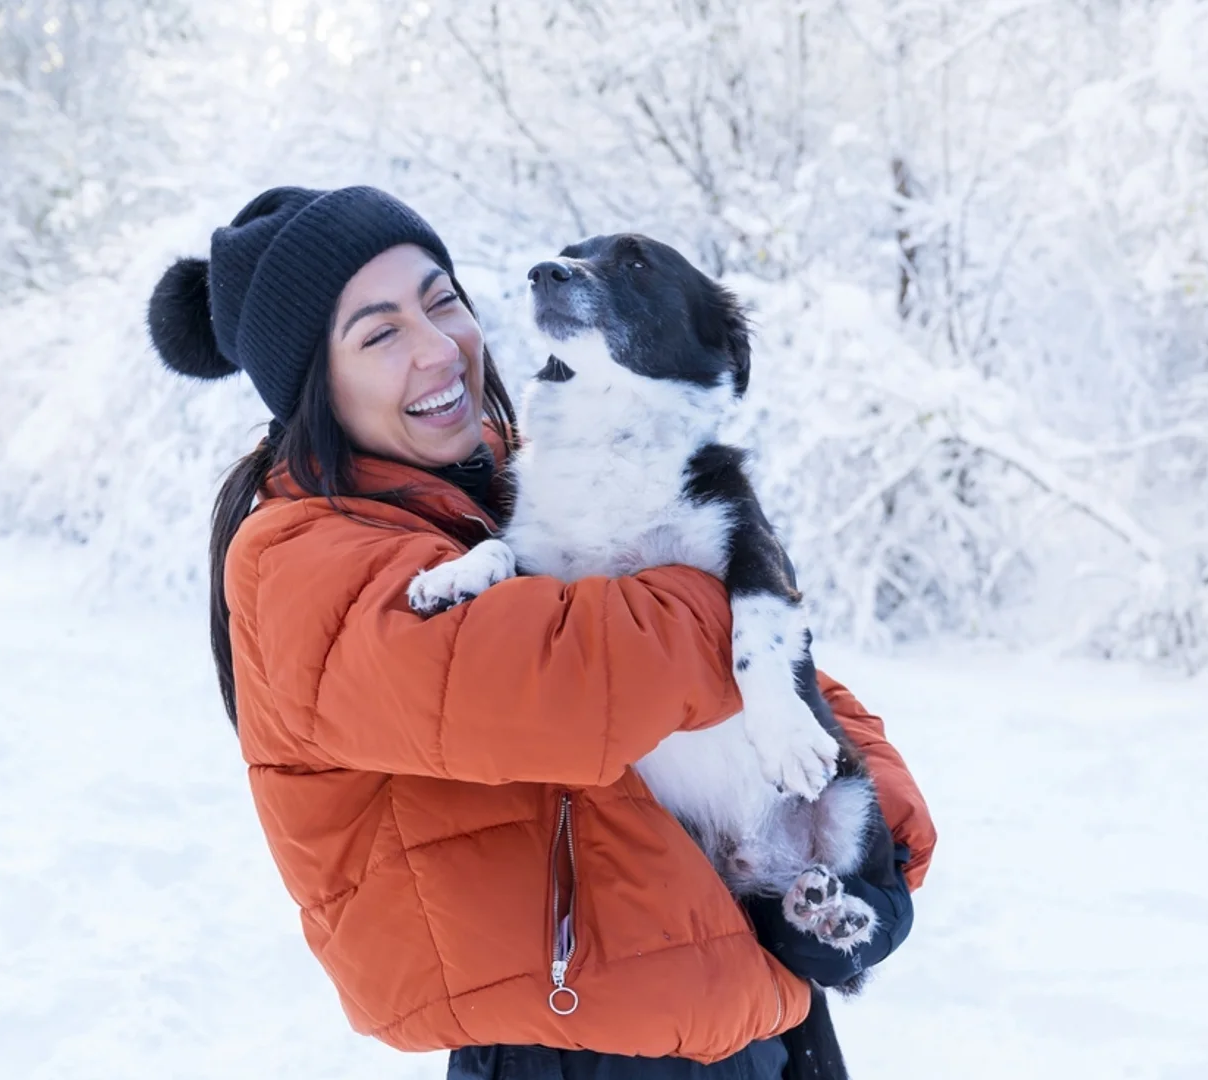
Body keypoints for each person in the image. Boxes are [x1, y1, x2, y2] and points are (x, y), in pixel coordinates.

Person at [145, 185, 937, 1078]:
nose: (438, 347)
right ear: (312, 386)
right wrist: (735, 564)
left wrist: (886, 846)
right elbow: (581, 682)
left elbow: (803, 687)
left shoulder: (512, 479)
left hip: (747, 999)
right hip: (576, 1046)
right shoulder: (301, 556)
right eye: (380, 333)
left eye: (443, 301)